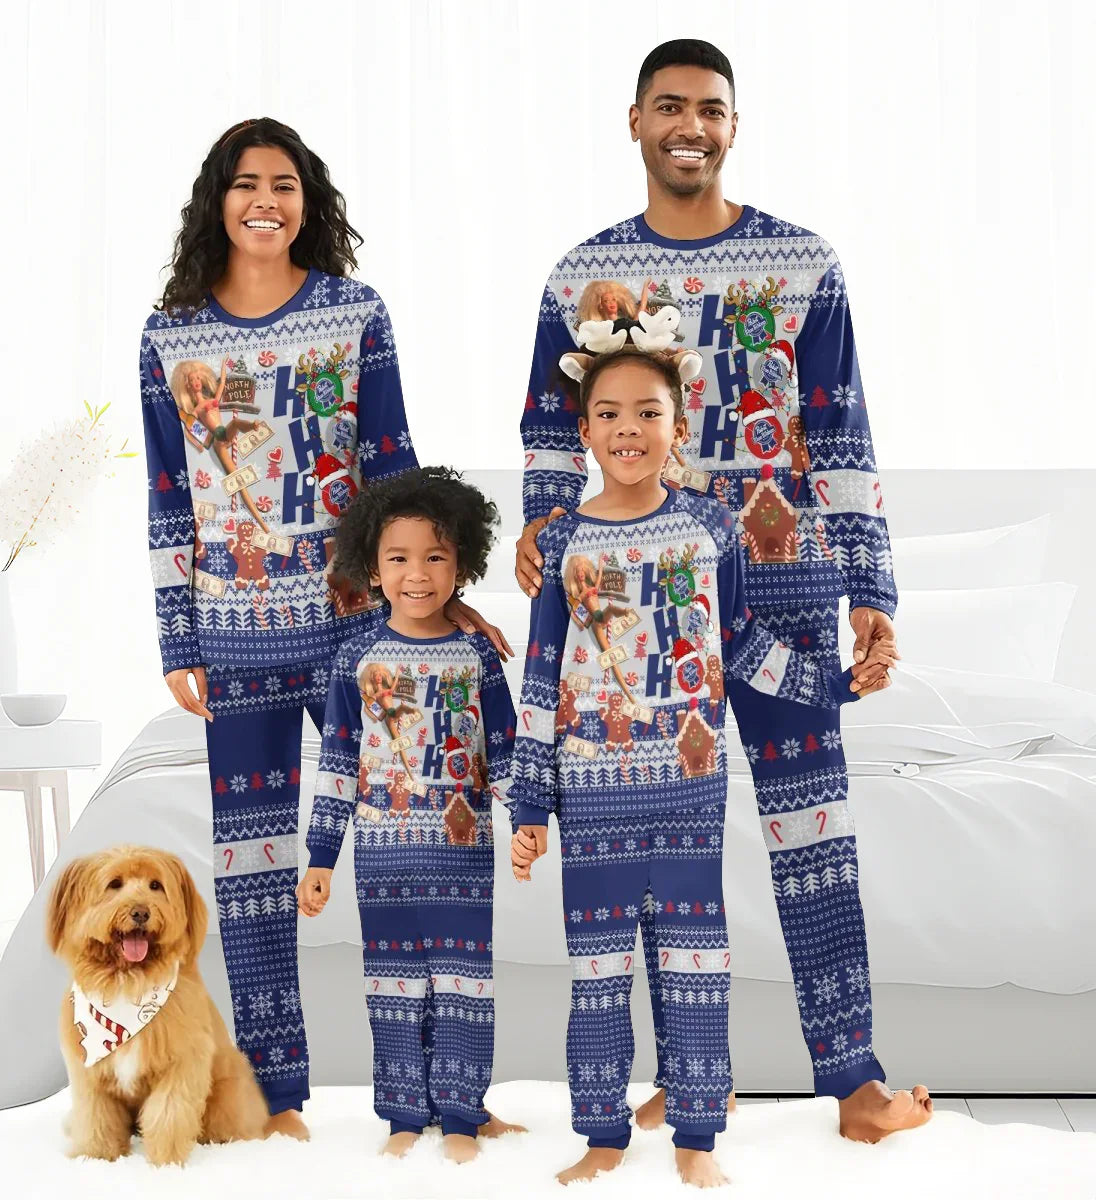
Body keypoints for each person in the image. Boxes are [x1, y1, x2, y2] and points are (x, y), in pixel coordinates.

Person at [516, 39, 933, 1146]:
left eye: (709, 108)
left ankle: (855, 1084)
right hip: (646, 618)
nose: (689, 126)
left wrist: (870, 587)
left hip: (788, 593)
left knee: (814, 840)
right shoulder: (580, 275)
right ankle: (692, 1078)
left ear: (733, 126)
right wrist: (542, 526)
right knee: (666, 855)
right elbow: (551, 429)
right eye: (669, 106)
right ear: (636, 122)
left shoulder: (805, 263)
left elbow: (840, 429)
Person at [140, 118, 509, 1138]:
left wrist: (439, 593)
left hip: (359, 632)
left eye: (285, 184)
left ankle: (444, 1095)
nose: (266, 200)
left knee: (409, 844)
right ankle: (277, 1098)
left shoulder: (354, 313)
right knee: (252, 873)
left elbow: (393, 463)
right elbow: (169, 493)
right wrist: (177, 636)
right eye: (247, 183)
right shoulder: (170, 333)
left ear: (309, 202)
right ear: (218, 200)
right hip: (233, 637)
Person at [510, 348, 875, 1187]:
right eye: (609, 414)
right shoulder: (560, 541)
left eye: (648, 412)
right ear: (584, 430)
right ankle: (602, 1135)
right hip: (592, 788)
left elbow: (739, 643)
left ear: (678, 428)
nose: (628, 430)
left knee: (695, 960)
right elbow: (540, 677)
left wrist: (833, 685)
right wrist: (529, 805)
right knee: (596, 971)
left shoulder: (713, 526)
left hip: (690, 786)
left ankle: (697, 1137)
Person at [296, 467, 523, 1162]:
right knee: (392, 987)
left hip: (462, 856)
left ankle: (461, 1114)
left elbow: (506, 749)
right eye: (398, 558)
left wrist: (532, 818)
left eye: (436, 557)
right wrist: (321, 860)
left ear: (463, 566)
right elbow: (337, 765)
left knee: (463, 985)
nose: (417, 575)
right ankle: (402, 1114)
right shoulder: (355, 658)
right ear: (373, 567)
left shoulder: (477, 653)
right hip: (383, 858)